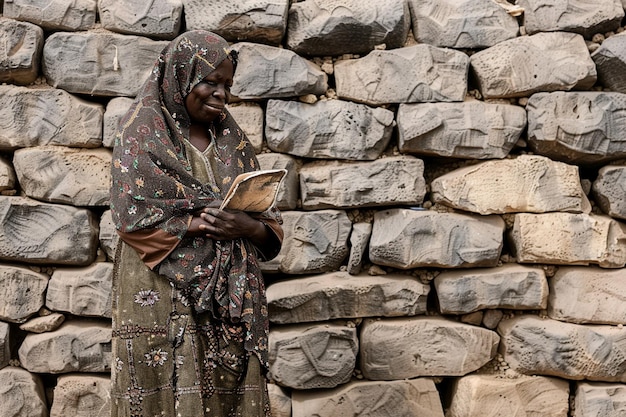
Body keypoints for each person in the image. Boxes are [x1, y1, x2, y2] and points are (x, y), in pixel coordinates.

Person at [109, 30, 283, 417]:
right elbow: (129, 215)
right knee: (164, 384)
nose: (220, 93)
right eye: (209, 81)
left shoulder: (231, 138)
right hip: (160, 282)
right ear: (180, 76)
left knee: (227, 389)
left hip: (227, 297)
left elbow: (265, 220)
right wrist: (199, 224)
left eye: (227, 84)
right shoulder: (141, 134)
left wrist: (246, 228)